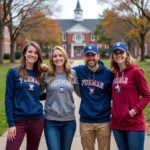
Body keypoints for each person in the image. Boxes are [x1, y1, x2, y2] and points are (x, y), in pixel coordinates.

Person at [73, 44, 113, 150]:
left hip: (103, 121)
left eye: (93, 55)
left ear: (98, 56)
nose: (91, 58)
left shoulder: (108, 73)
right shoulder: (79, 70)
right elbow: (62, 68)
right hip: (85, 121)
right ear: (84, 57)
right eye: (88, 55)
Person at [110, 41, 150, 150]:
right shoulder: (113, 74)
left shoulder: (136, 72)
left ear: (127, 54)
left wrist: (133, 111)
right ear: (113, 56)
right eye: (115, 53)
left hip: (134, 124)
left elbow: (147, 95)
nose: (118, 55)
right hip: (117, 124)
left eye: (121, 52)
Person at [5, 41, 44, 150]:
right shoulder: (13, 71)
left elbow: (35, 96)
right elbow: (8, 98)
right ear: (24, 53)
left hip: (37, 119)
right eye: (30, 52)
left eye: (36, 52)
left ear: (38, 56)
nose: (33, 54)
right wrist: (11, 123)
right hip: (18, 120)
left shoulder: (39, 73)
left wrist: (53, 93)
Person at [41, 46, 80, 150]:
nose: (58, 58)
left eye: (60, 55)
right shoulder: (47, 73)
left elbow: (81, 93)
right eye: (55, 56)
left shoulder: (72, 73)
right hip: (51, 121)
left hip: (69, 121)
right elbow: (37, 92)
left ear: (65, 57)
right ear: (51, 59)